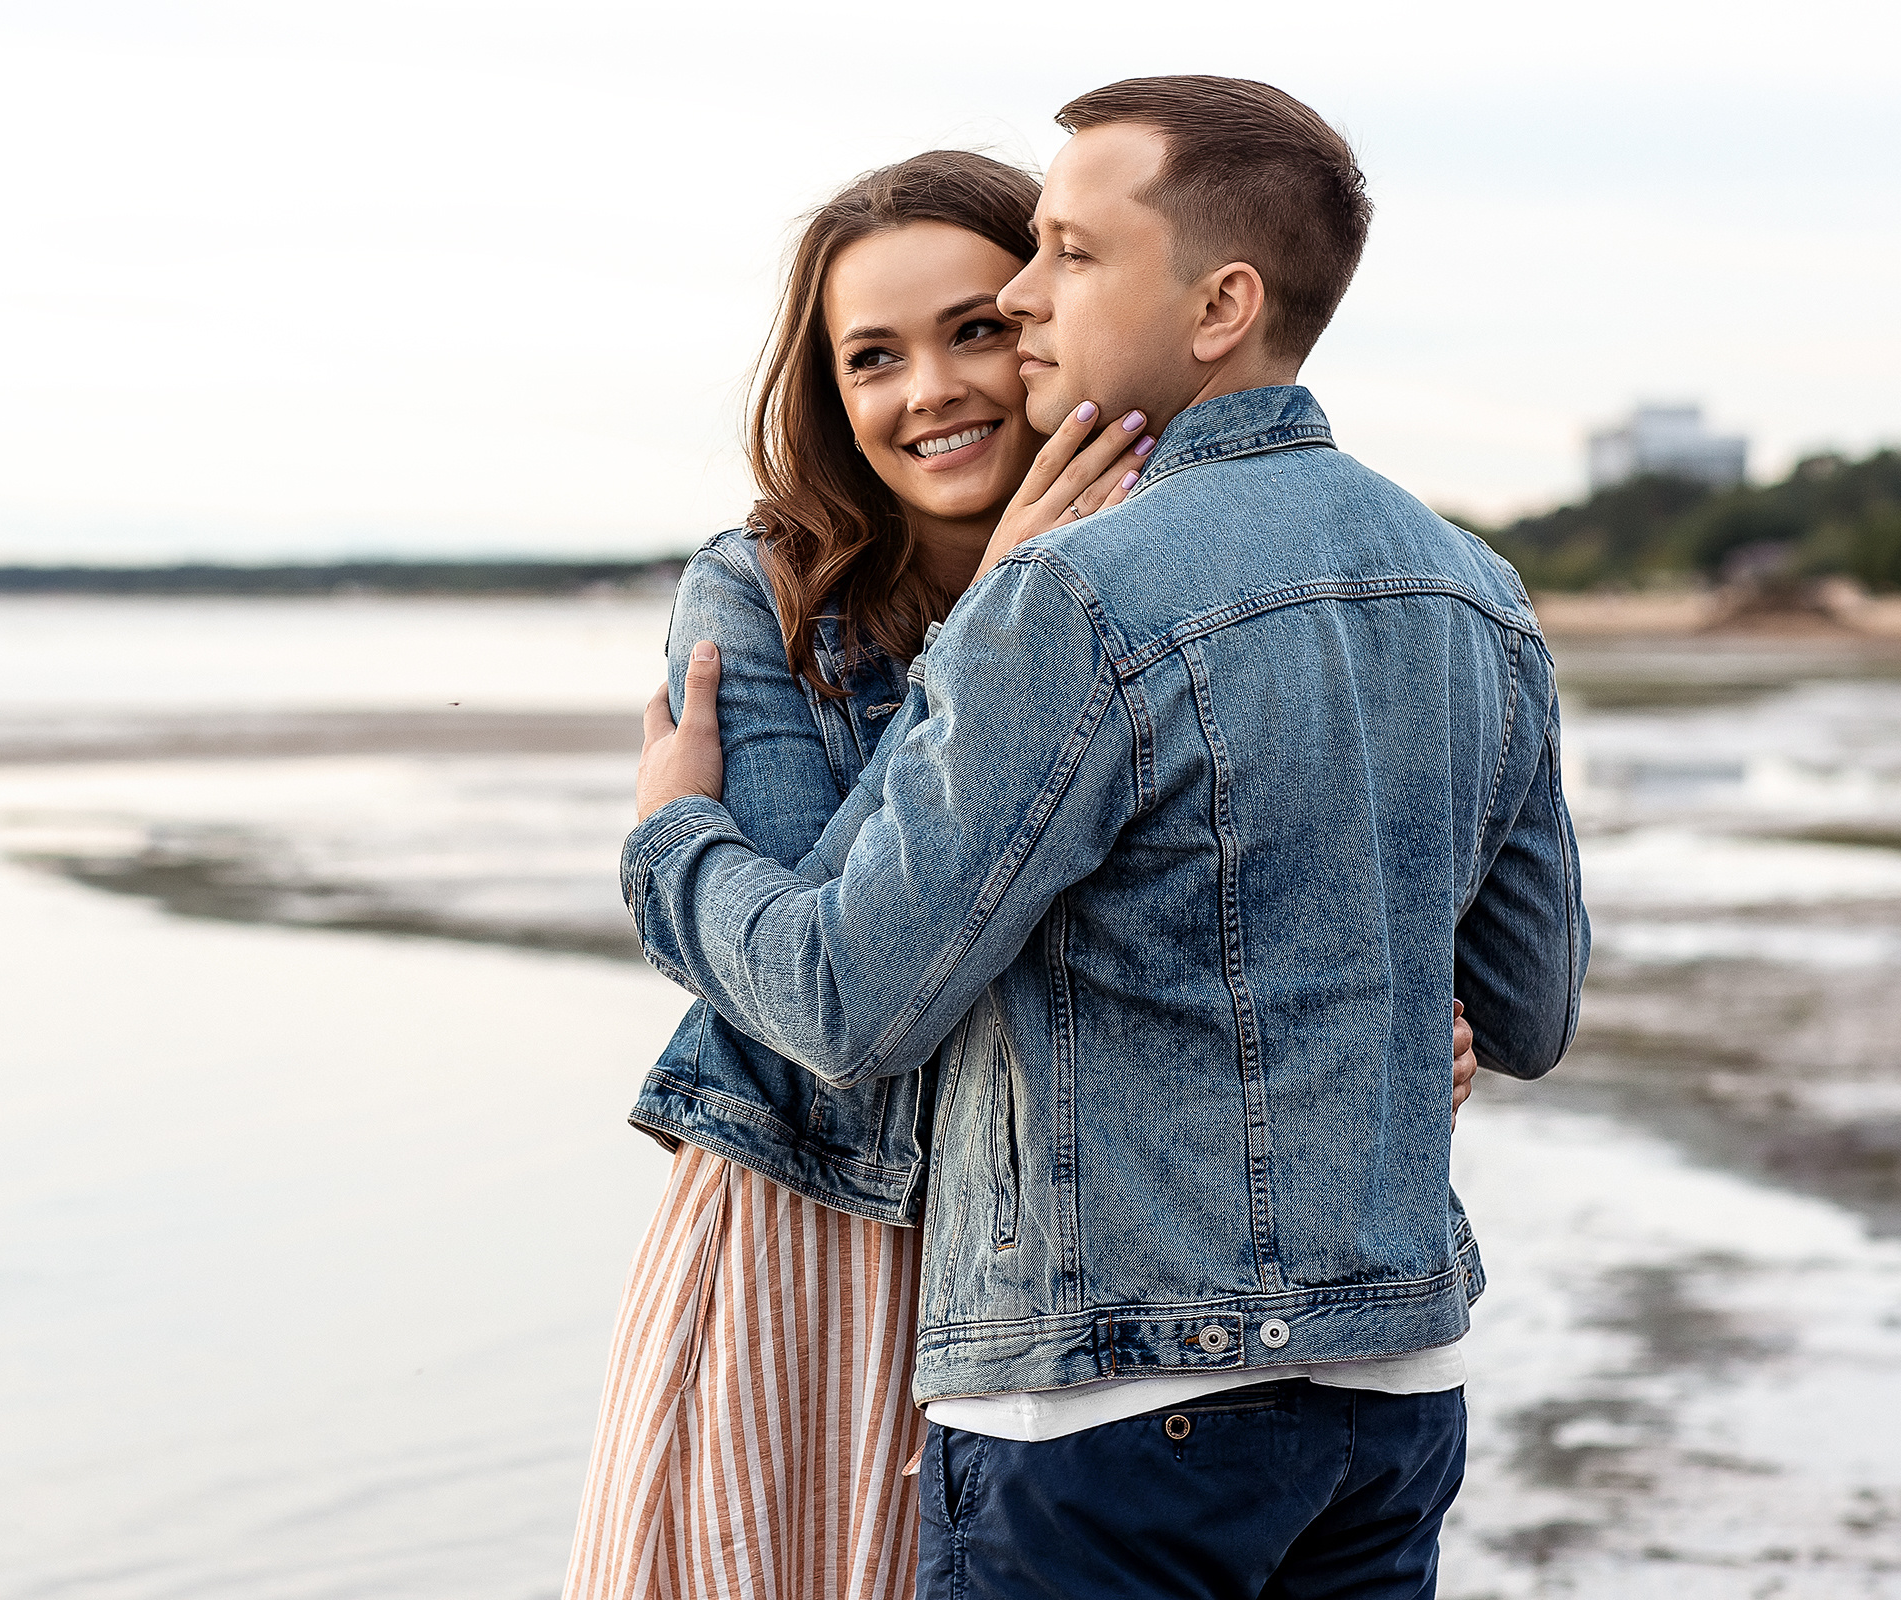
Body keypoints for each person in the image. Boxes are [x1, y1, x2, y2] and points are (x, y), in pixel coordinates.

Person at [624, 75, 1587, 1599]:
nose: (1003, 320)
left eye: (1028, 289)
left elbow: (844, 991)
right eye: (872, 355)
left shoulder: (1079, 600)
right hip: (1351, 1367)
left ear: (1214, 304)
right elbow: (1536, 1000)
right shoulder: (1474, 582)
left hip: (1089, 1362)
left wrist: (670, 843)